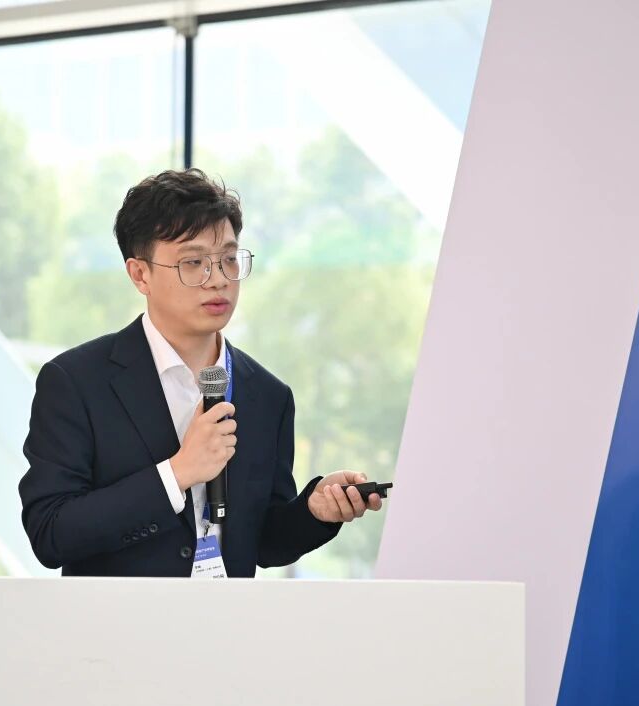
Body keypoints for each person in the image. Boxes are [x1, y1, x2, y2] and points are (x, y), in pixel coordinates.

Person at [19, 168, 383, 578]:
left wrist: (314, 511)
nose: (219, 280)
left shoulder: (267, 394)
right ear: (140, 274)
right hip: (119, 618)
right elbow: (50, 533)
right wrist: (177, 473)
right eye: (194, 263)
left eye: (228, 259)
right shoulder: (76, 382)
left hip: (225, 618)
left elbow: (264, 542)